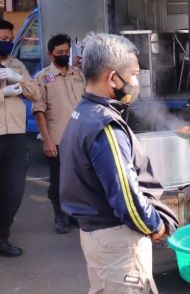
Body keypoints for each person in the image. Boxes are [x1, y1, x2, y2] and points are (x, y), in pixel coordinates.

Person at [59, 33, 165, 293]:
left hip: (97, 238)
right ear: (112, 77)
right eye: (134, 73)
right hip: (118, 242)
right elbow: (126, 196)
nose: (137, 81)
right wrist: (154, 223)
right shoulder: (105, 125)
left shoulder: (83, 112)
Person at [33, 34, 85, 234]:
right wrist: (47, 140)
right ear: (50, 53)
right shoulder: (43, 78)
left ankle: (73, 214)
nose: (64, 55)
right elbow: (39, 111)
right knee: (58, 180)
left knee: (79, 178)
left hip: (80, 138)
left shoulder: (78, 74)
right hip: (58, 138)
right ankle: (59, 215)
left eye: (66, 52)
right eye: (59, 53)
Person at [0, 19, 40, 257]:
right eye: (1, 39)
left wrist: (19, 79)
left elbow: (35, 93)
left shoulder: (16, 64)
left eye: (8, 39)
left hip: (15, 136)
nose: (5, 43)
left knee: (12, 190)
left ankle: (3, 238)